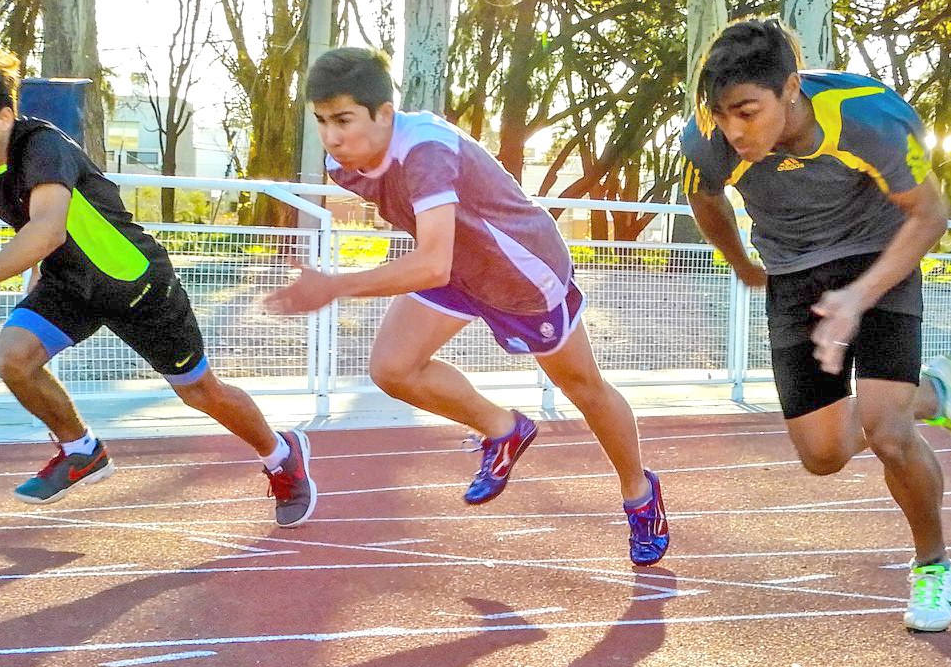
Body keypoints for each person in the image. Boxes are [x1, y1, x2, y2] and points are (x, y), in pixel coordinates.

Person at [264, 46, 668, 566]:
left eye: (344, 120)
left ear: (385, 113)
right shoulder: (344, 162)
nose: (332, 136)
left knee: (582, 387)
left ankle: (640, 495)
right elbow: (432, 246)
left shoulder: (427, 151)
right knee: (393, 367)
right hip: (457, 264)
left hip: (521, 273)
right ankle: (504, 429)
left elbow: (430, 263)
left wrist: (335, 286)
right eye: (321, 121)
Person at [0, 45, 318, 526]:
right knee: (13, 359)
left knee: (200, 391)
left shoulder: (42, 146)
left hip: (135, 284)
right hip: (69, 286)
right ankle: (81, 450)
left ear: (4, 116)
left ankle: (281, 455)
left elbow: (47, 228)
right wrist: (37, 281)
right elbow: (34, 229)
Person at [681, 16, 951, 632]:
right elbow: (704, 200)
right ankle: (936, 393)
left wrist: (857, 297)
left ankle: (931, 565)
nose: (734, 130)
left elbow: (931, 212)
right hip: (792, 271)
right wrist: (743, 264)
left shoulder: (870, 117)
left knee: (888, 434)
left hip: (880, 256)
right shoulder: (707, 141)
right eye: (720, 113)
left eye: (747, 111)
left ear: (790, 88)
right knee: (821, 457)